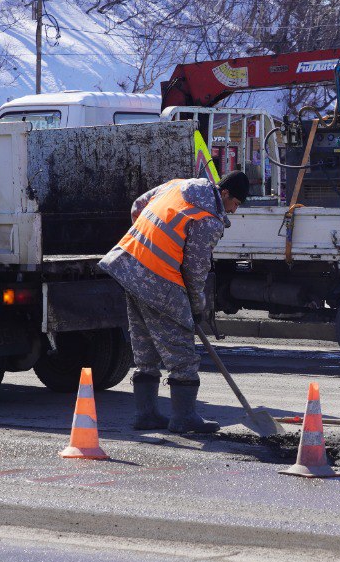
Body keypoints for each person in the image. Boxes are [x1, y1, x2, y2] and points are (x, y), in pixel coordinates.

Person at [99, 171, 249, 433]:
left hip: (129, 264)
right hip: (159, 279)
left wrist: (151, 241)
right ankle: (184, 418)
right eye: (235, 204)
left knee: (145, 349)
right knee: (182, 353)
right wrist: (195, 305)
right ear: (224, 194)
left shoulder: (178, 185)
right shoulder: (209, 220)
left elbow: (138, 206)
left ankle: (145, 415)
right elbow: (195, 268)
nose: (234, 211)